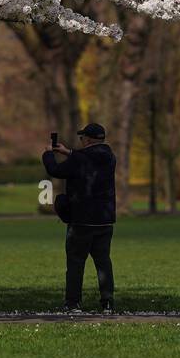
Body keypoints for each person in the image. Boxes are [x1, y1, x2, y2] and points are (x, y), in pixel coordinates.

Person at [42, 122, 116, 314]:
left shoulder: (80, 158)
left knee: (75, 263)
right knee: (103, 262)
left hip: (81, 220)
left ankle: (73, 303)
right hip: (105, 219)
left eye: (82, 138)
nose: (81, 140)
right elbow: (88, 159)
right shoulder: (109, 156)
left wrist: (48, 154)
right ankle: (107, 302)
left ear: (89, 139)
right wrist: (69, 152)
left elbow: (56, 171)